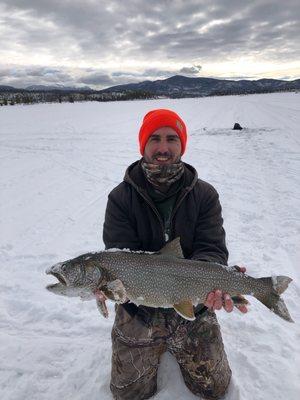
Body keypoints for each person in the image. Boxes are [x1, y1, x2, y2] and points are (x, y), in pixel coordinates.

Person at [103, 109, 248, 400]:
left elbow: (211, 248)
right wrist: (107, 285)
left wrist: (214, 280)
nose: (163, 148)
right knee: (128, 395)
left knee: (214, 389)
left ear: (182, 145)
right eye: (154, 139)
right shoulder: (120, 198)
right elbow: (119, 254)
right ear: (143, 145)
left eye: (172, 139)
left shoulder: (204, 195)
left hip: (193, 302)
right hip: (140, 308)